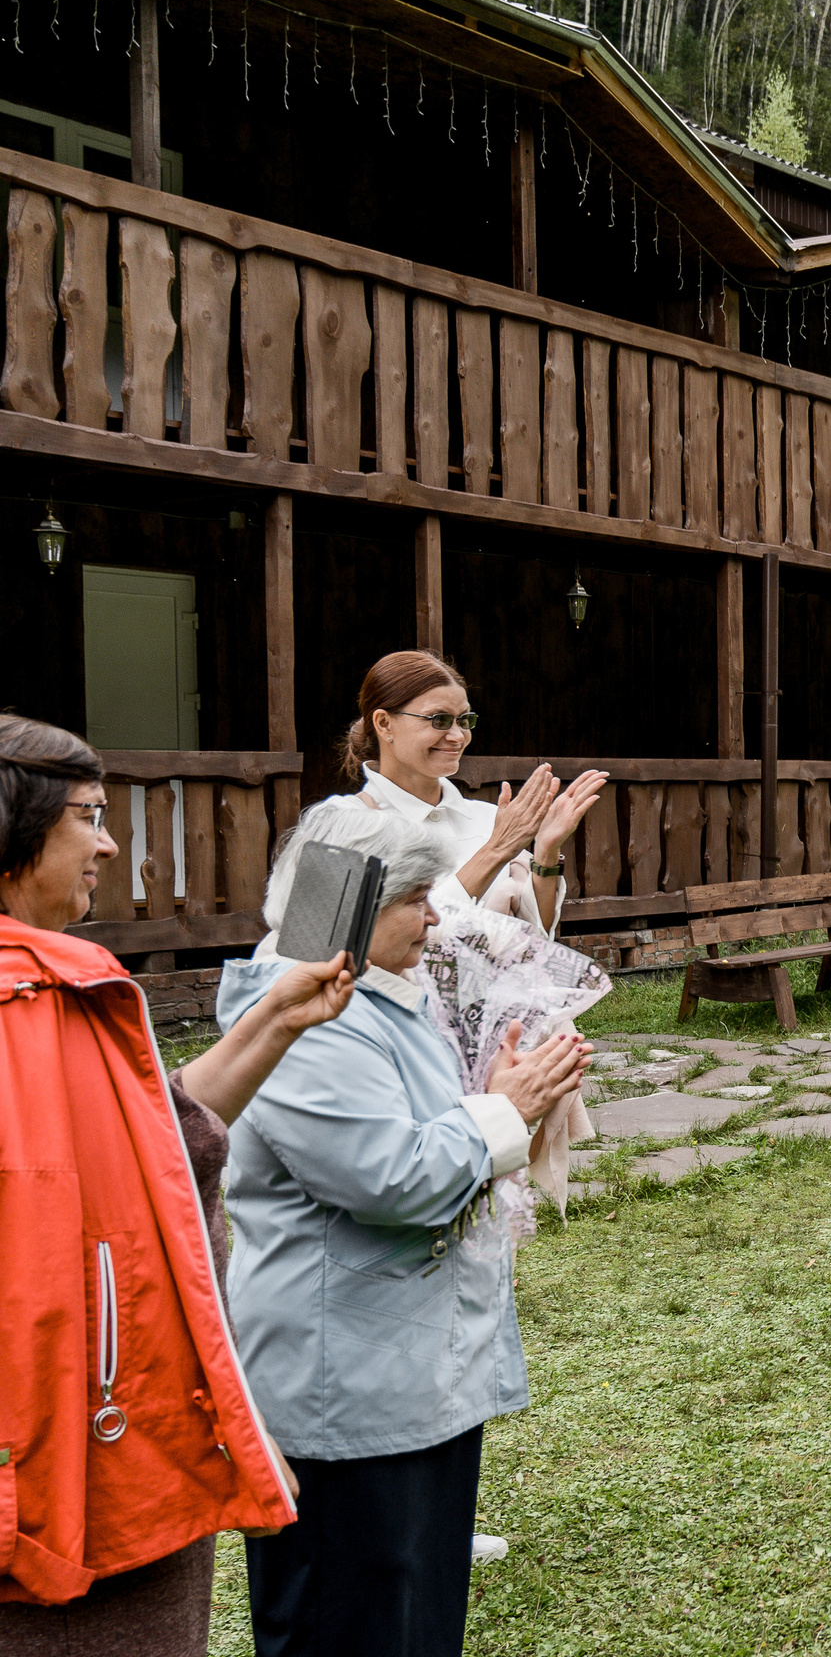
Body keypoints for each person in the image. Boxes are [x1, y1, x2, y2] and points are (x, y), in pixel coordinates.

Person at [0, 714, 354, 1654]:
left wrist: (277, 1021)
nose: (109, 842)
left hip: (129, 1436)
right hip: (75, 1465)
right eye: (90, 815)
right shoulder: (36, 995)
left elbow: (162, 1144)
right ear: (14, 827)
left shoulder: (69, 987)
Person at [218, 810, 590, 1657]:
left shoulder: (375, 999)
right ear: (352, 905)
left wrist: (498, 1096)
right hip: (344, 1391)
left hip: (412, 1376)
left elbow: (435, 1137)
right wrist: (509, 1106)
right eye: (417, 898)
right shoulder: (307, 1023)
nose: (435, 917)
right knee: (349, 1628)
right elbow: (393, 1178)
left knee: (416, 1623)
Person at [310, 650, 607, 939]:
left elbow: (537, 937)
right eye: (438, 719)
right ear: (385, 724)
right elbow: (326, 946)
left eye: (464, 720)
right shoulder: (339, 824)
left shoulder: (489, 818)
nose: (457, 736)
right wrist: (496, 851)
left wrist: (545, 850)